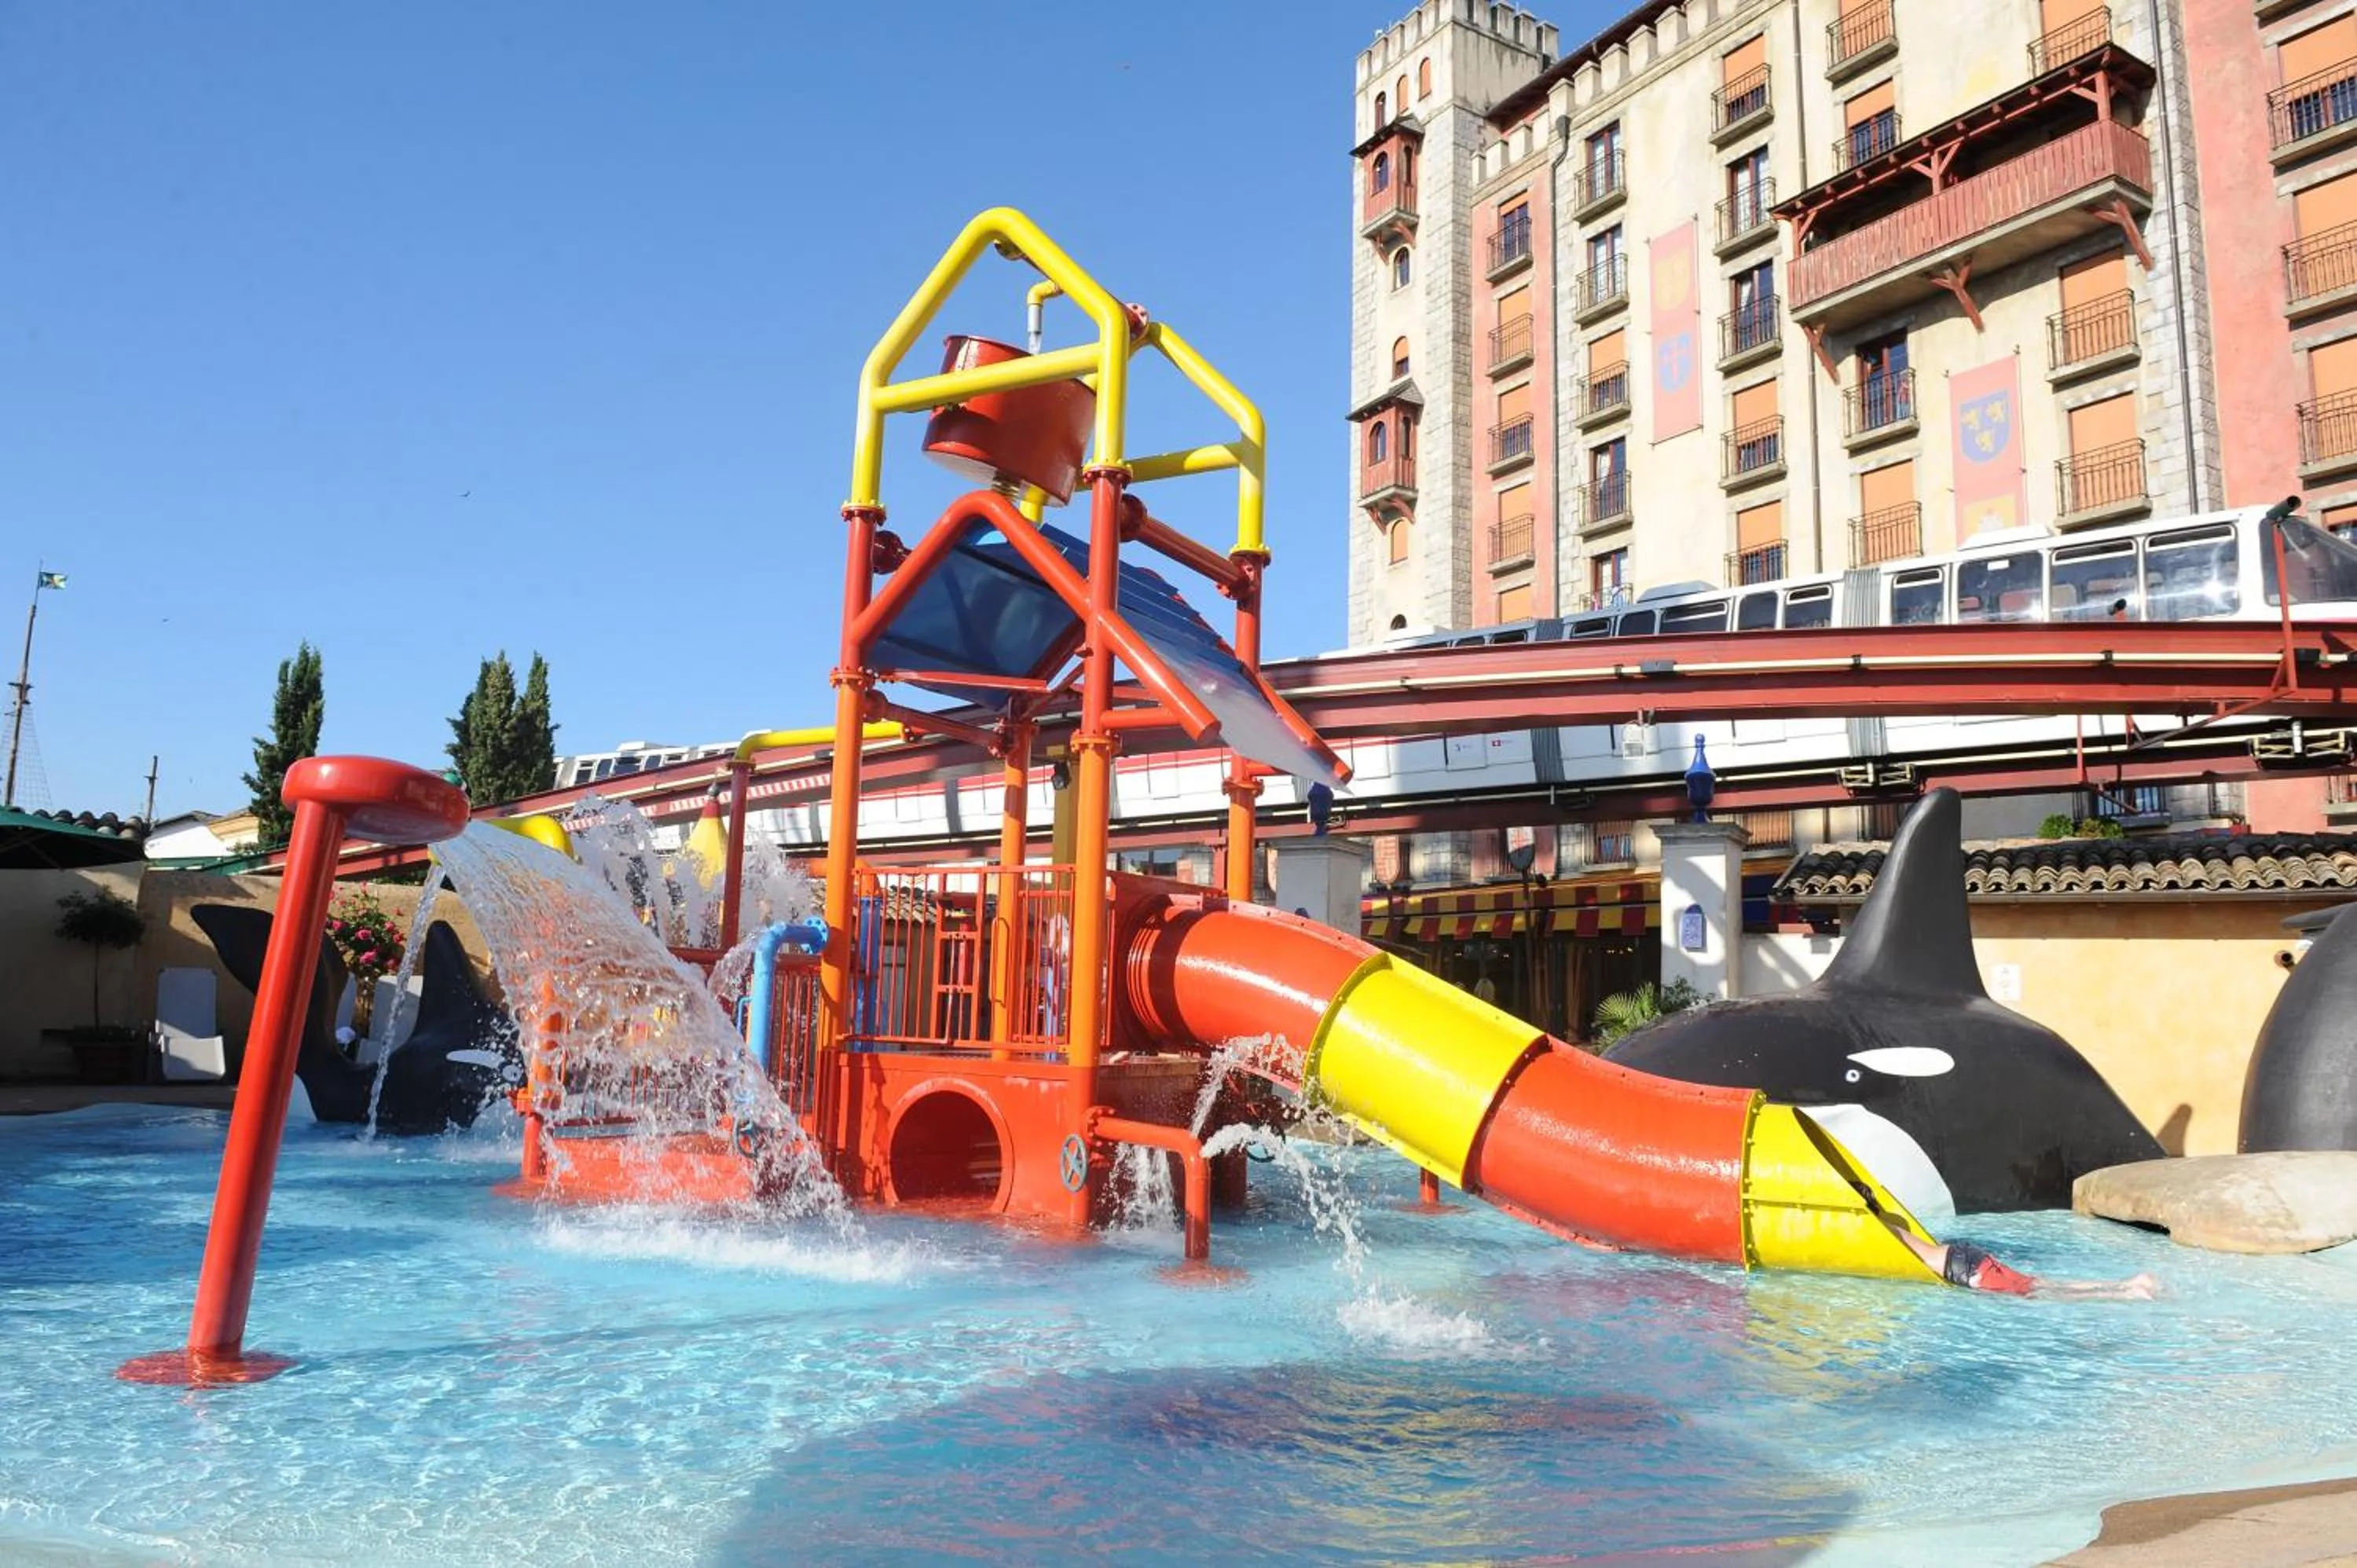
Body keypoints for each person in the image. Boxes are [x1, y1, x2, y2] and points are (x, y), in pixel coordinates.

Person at [1886, 1218, 2158, 1300]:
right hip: (1962, 1256)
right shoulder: (1884, 1222)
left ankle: (2129, 1292)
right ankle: (2128, 1284)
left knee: (2041, 1294)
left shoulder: (1874, 1231)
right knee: (2039, 1285)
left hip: (1963, 1269)